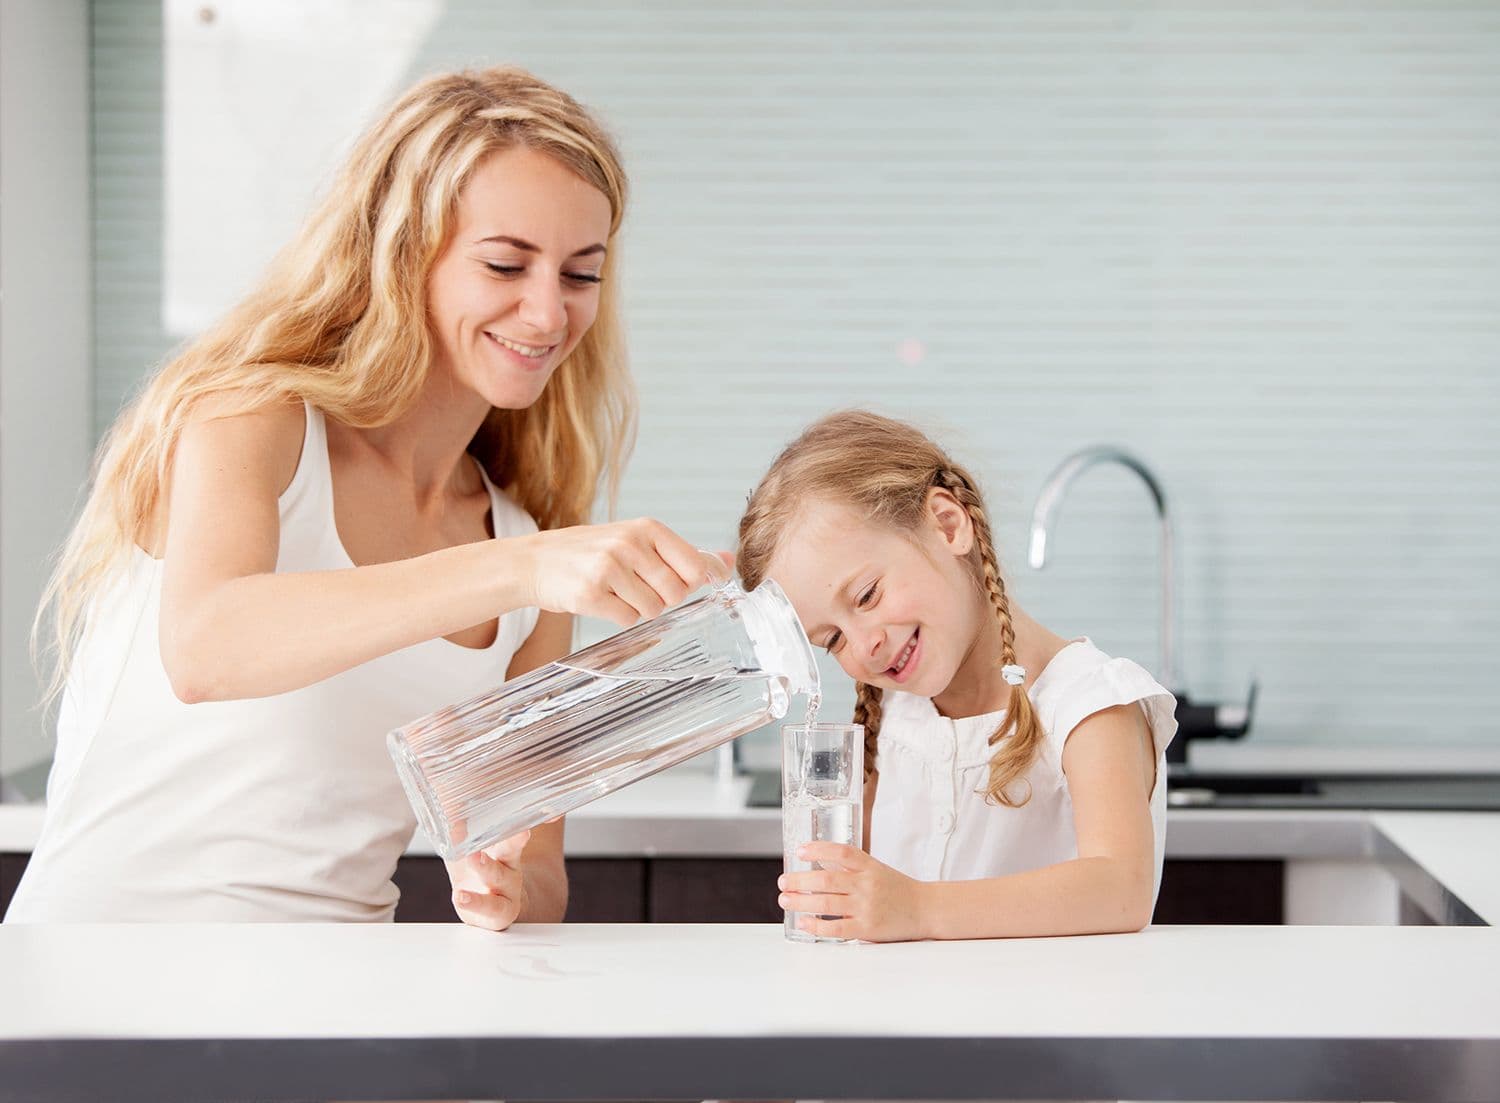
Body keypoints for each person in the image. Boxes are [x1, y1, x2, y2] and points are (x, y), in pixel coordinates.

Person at [6, 66, 726, 927]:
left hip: (335, 1012)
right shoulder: (254, 419)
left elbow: (538, 871)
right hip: (96, 996)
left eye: (580, 274)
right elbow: (205, 648)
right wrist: (522, 567)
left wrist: (503, 892)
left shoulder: (524, 554)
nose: (547, 314)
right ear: (403, 252)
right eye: (505, 263)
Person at [737, 411, 1178, 941]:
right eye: (831, 640)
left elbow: (1119, 889)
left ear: (949, 525)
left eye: (866, 596)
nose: (864, 643)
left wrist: (920, 909)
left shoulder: (1088, 705)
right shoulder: (891, 724)